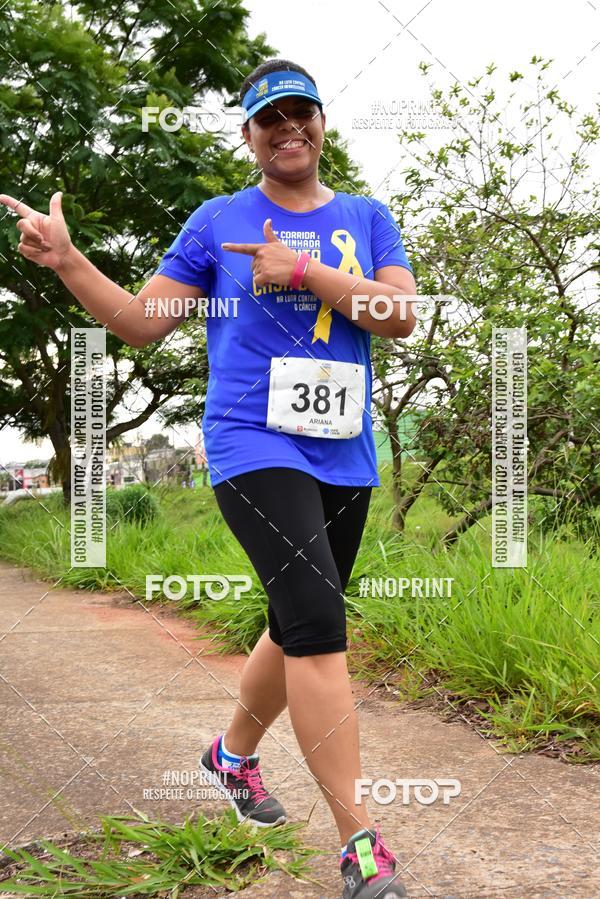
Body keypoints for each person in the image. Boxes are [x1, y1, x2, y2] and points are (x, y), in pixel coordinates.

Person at [0, 57, 417, 899]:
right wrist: (70, 262)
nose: (288, 129)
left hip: (344, 450)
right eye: (271, 119)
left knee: (297, 614)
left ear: (322, 124)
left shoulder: (368, 218)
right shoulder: (219, 218)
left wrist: (302, 272)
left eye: (302, 113)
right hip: (250, 442)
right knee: (317, 619)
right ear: (250, 136)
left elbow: (398, 314)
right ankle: (359, 844)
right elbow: (142, 324)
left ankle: (230, 756)